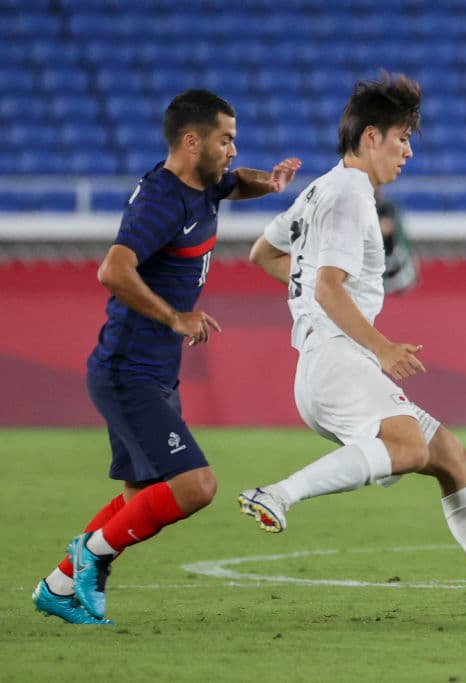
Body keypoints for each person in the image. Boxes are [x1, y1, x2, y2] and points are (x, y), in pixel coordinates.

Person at [238, 72, 466, 624]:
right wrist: (383, 346)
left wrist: (322, 305)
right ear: (371, 137)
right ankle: (279, 493)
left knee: (451, 457)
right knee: (410, 446)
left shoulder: (321, 188)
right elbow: (326, 286)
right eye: (402, 138)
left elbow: (263, 254)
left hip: (332, 362)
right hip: (339, 359)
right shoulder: (349, 195)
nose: (409, 151)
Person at [31, 89, 301, 625]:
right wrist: (175, 318)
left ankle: (59, 586)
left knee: (144, 493)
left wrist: (267, 184)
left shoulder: (203, 183)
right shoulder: (162, 201)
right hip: (128, 370)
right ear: (191, 140)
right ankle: (91, 555)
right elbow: (113, 269)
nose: (232, 150)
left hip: (150, 370)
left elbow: (235, 181)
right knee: (195, 486)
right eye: (225, 139)